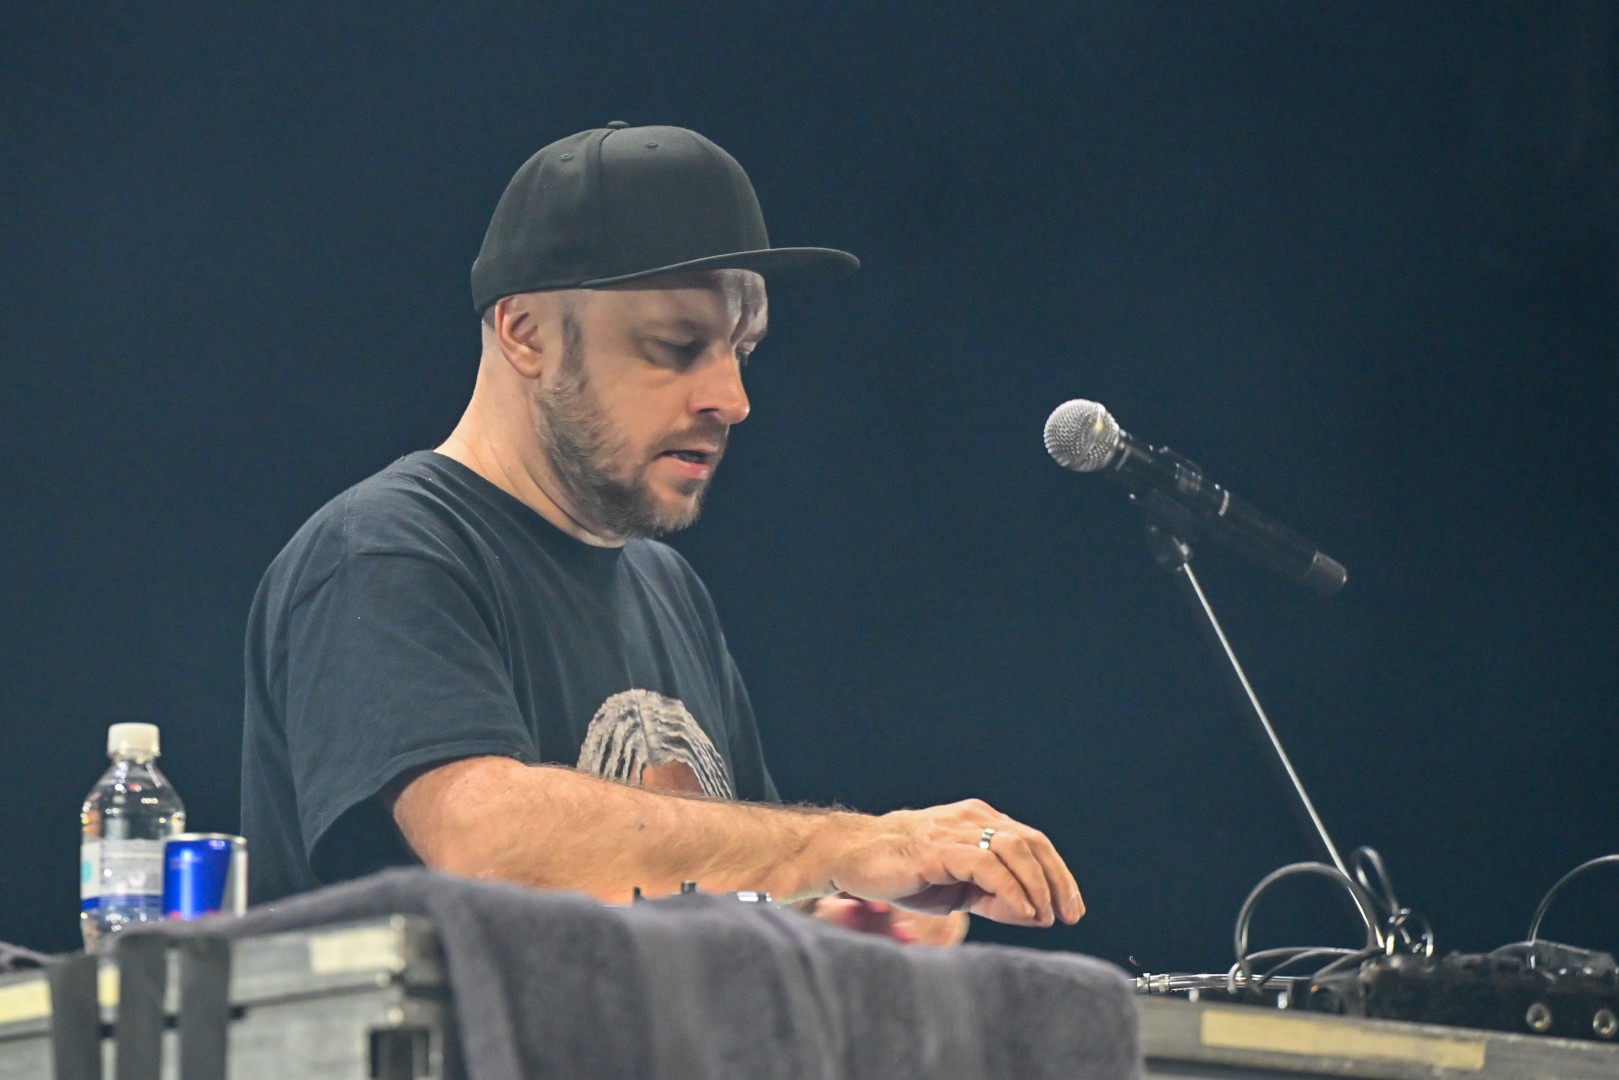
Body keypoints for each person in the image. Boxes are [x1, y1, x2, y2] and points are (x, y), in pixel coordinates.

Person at [241, 123, 1084, 945]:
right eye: (678, 348)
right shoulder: (382, 549)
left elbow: (726, 879)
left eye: (742, 350)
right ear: (525, 334)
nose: (733, 399)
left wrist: (851, 914)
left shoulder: (666, 586)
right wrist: (845, 847)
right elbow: (487, 844)